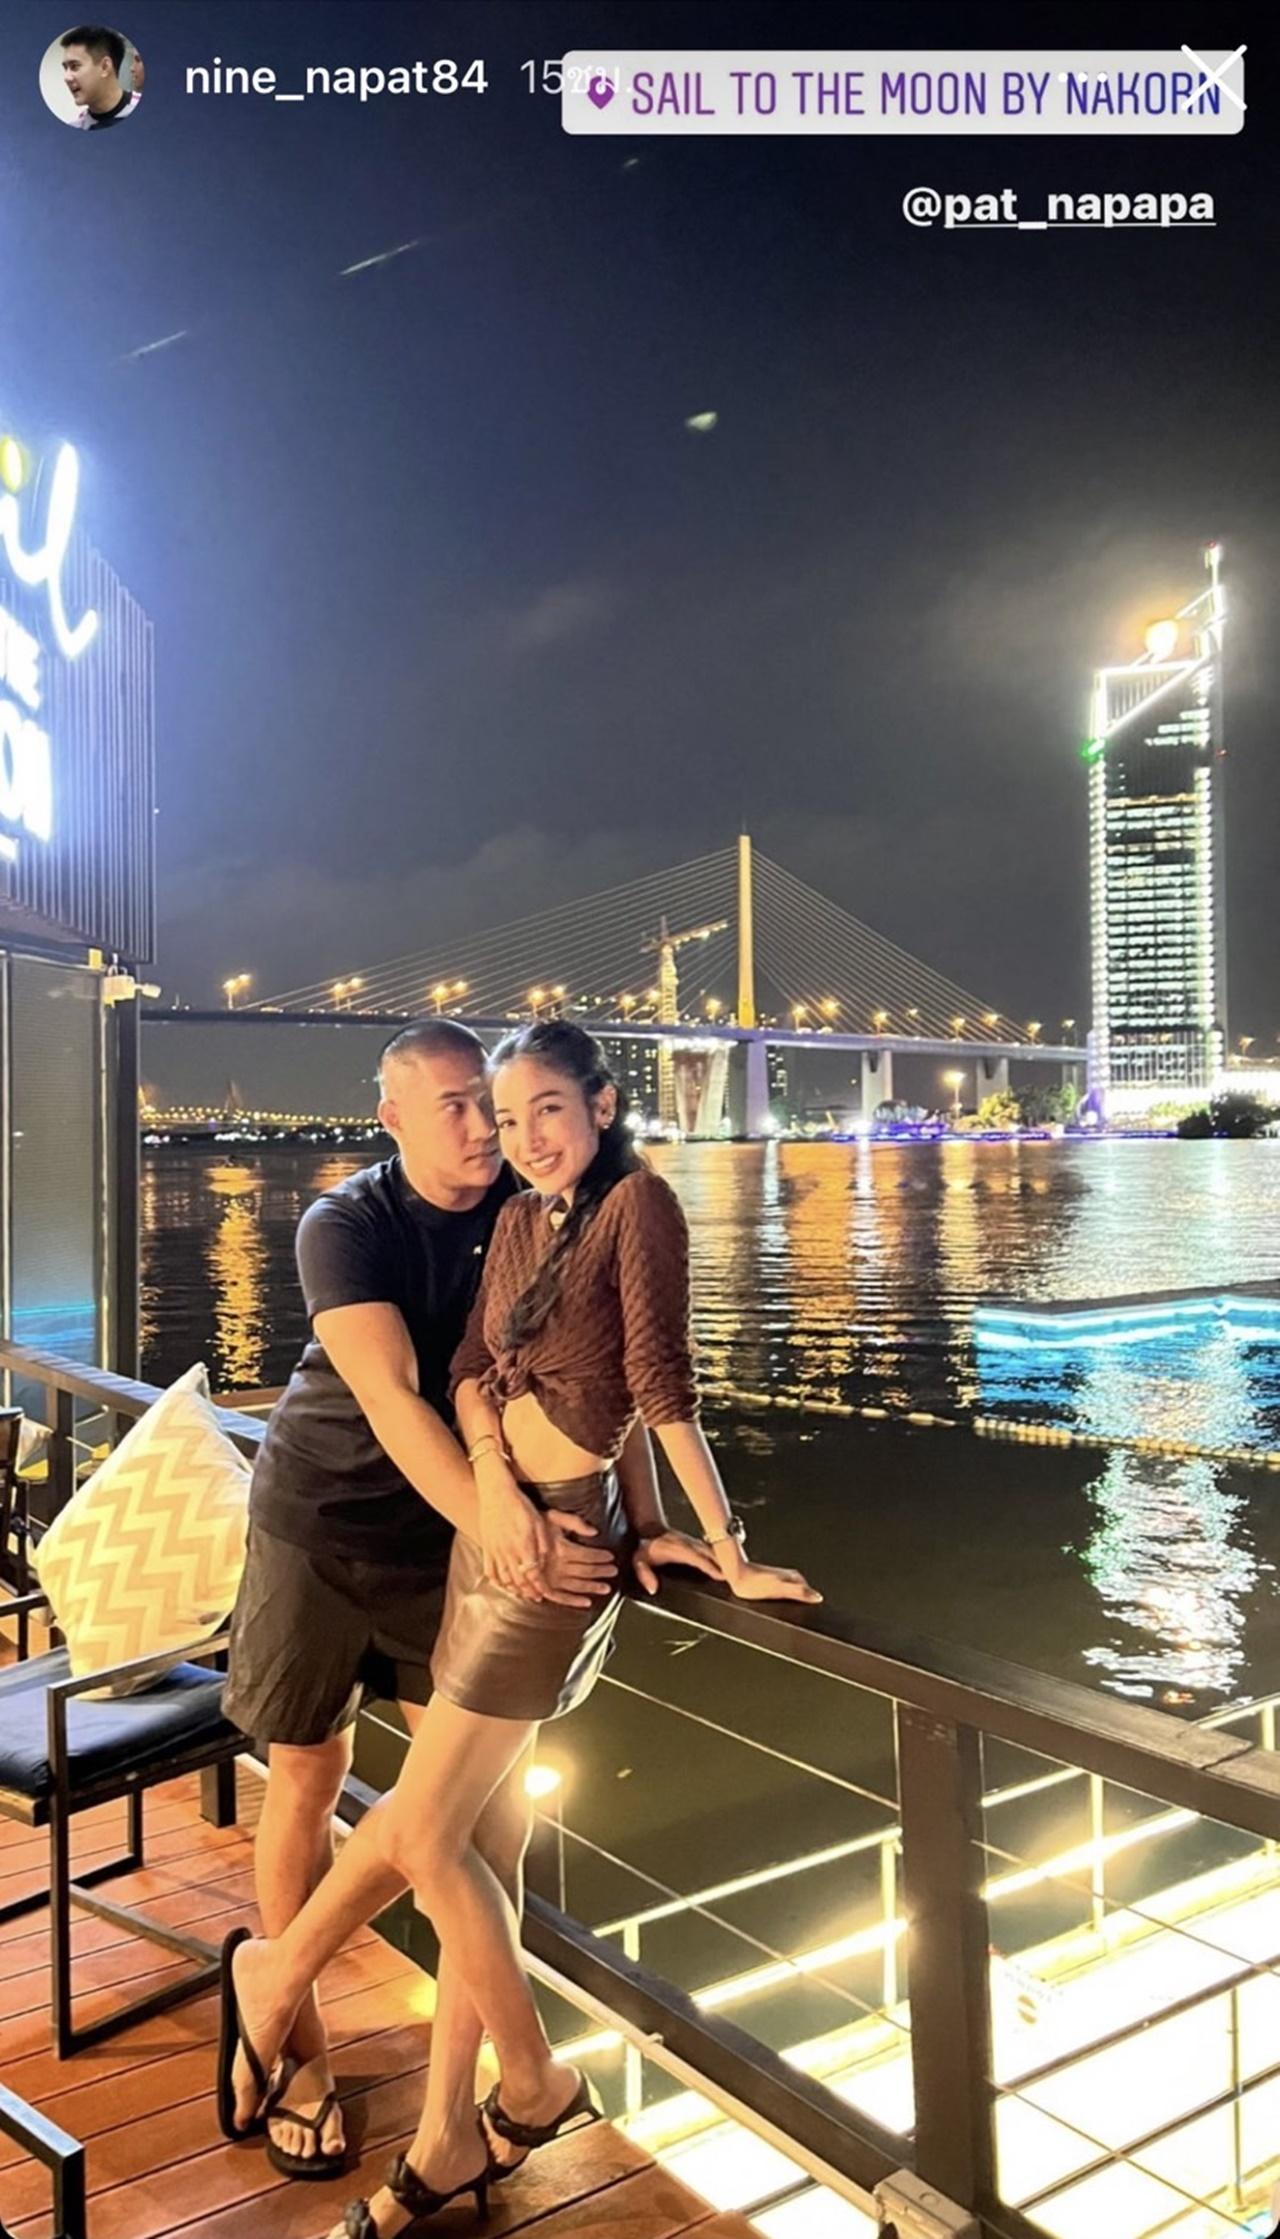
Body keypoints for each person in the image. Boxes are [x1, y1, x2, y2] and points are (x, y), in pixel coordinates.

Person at [219, 1022, 819, 2239]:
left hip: (480, 1548)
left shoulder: (552, 1207)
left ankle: (431, 2102)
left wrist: (656, 1527)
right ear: (391, 1117)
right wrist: (500, 1510)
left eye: (499, 1105)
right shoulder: (348, 1223)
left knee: (472, 1839)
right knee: (312, 1777)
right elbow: (413, 1390)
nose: (486, 1129)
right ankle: (313, 2044)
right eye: (464, 1106)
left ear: (594, 1104)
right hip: (327, 1522)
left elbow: (629, 1389)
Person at [60, 25, 141, 128]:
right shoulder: (76, 127)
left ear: (105, 67)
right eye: (65, 68)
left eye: (74, 66)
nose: (66, 78)